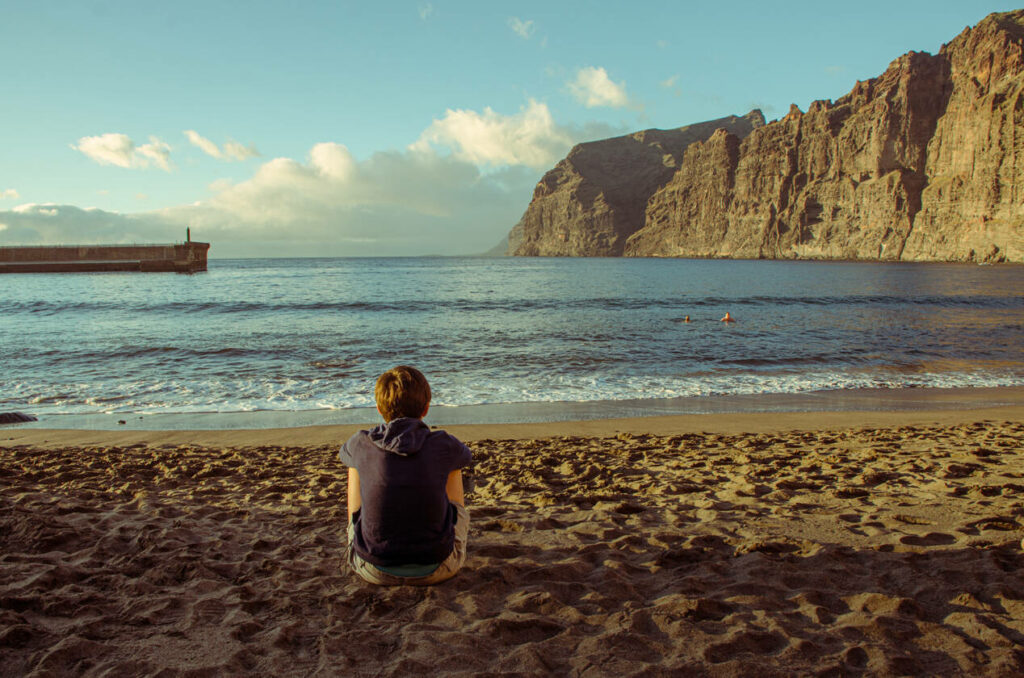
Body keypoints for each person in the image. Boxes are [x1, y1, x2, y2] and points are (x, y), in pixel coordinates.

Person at [339, 366, 472, 585]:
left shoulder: (360, 443)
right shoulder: (443, 443)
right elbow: (465, 456)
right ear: (426, 408)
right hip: (440, 567)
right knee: (452, 463)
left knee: (355, 462)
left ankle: (359, 530)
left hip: (373, 568)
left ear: (380, 409)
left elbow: (344, 454)